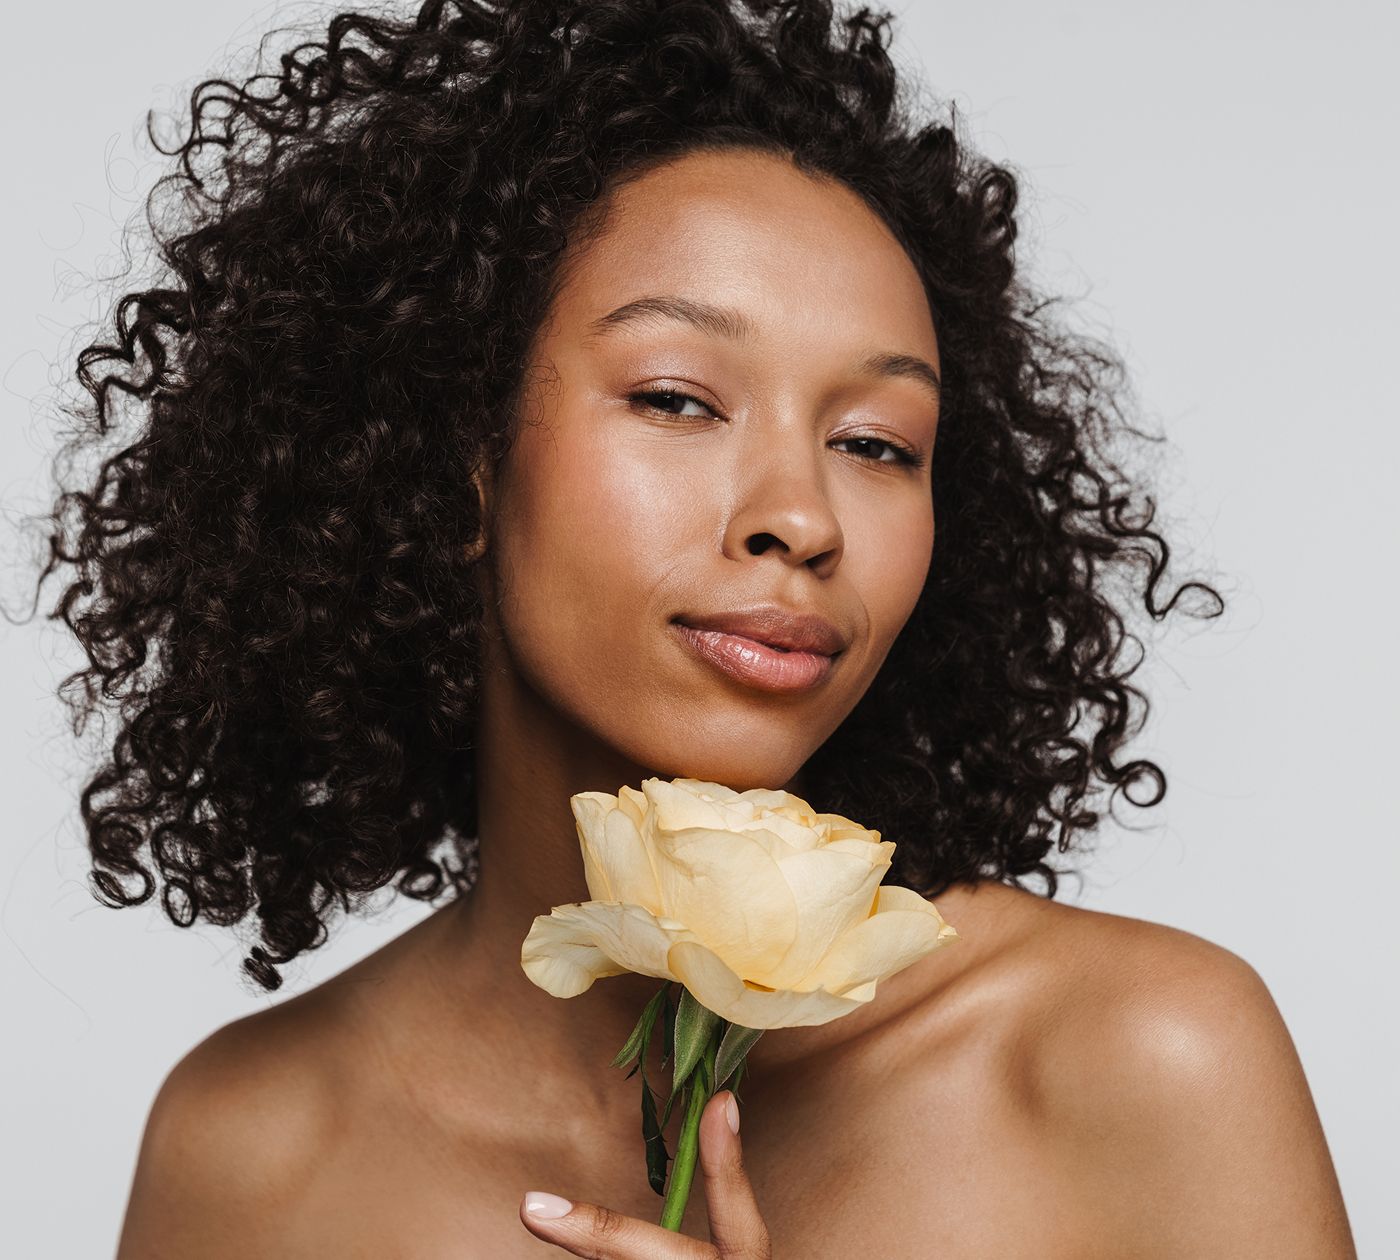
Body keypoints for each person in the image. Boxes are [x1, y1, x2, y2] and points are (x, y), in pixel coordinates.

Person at [33, 0, 1354, 1255]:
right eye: (676, 399)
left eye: (877, 443)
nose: (802, 515)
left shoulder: (1134, 1061)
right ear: (456, 461)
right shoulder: (252, 1155)